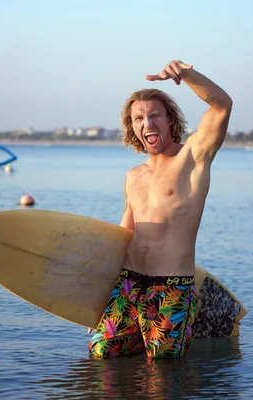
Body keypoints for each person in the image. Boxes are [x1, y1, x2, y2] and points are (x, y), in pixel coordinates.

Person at [88, 60, 233, 359]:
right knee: (101, 360)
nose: (148, 123)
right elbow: (123, 237)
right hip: (126, 287)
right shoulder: (133, 175)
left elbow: (222, 106)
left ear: (170, 120)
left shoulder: (192, 159)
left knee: (163, 378)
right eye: (139, 118)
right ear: (132, 127)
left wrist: (186, 74)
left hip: (170, 290)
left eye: (155, 115)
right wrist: (97, 299)